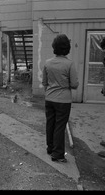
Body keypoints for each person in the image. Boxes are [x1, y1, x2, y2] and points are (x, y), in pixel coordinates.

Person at [42, 34, 79, 163]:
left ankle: (50, 148)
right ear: (67, 48)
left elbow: (44, 82)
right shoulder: (69, 64)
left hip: (49, 99)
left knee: (50, 124)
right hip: (63, 101)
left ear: (54, 47)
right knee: (60, 126)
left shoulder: (47, 63)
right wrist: (65, 83)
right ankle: (57, 154)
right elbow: (74, 85)